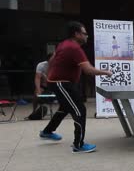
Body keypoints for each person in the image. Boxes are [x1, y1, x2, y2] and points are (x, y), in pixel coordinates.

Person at [39, 21, 112, 153]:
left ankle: (47, 132)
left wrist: (50, 76)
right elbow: (88, 70)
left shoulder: (64, 44)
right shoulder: (74, 48)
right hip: (61, 83)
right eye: (85, 33)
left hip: (60, 82)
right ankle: (78, 145)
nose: (87, 36)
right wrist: (106, 73)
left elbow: (51, 61)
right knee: (79, 110)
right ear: (76, 34)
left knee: (65, 107)